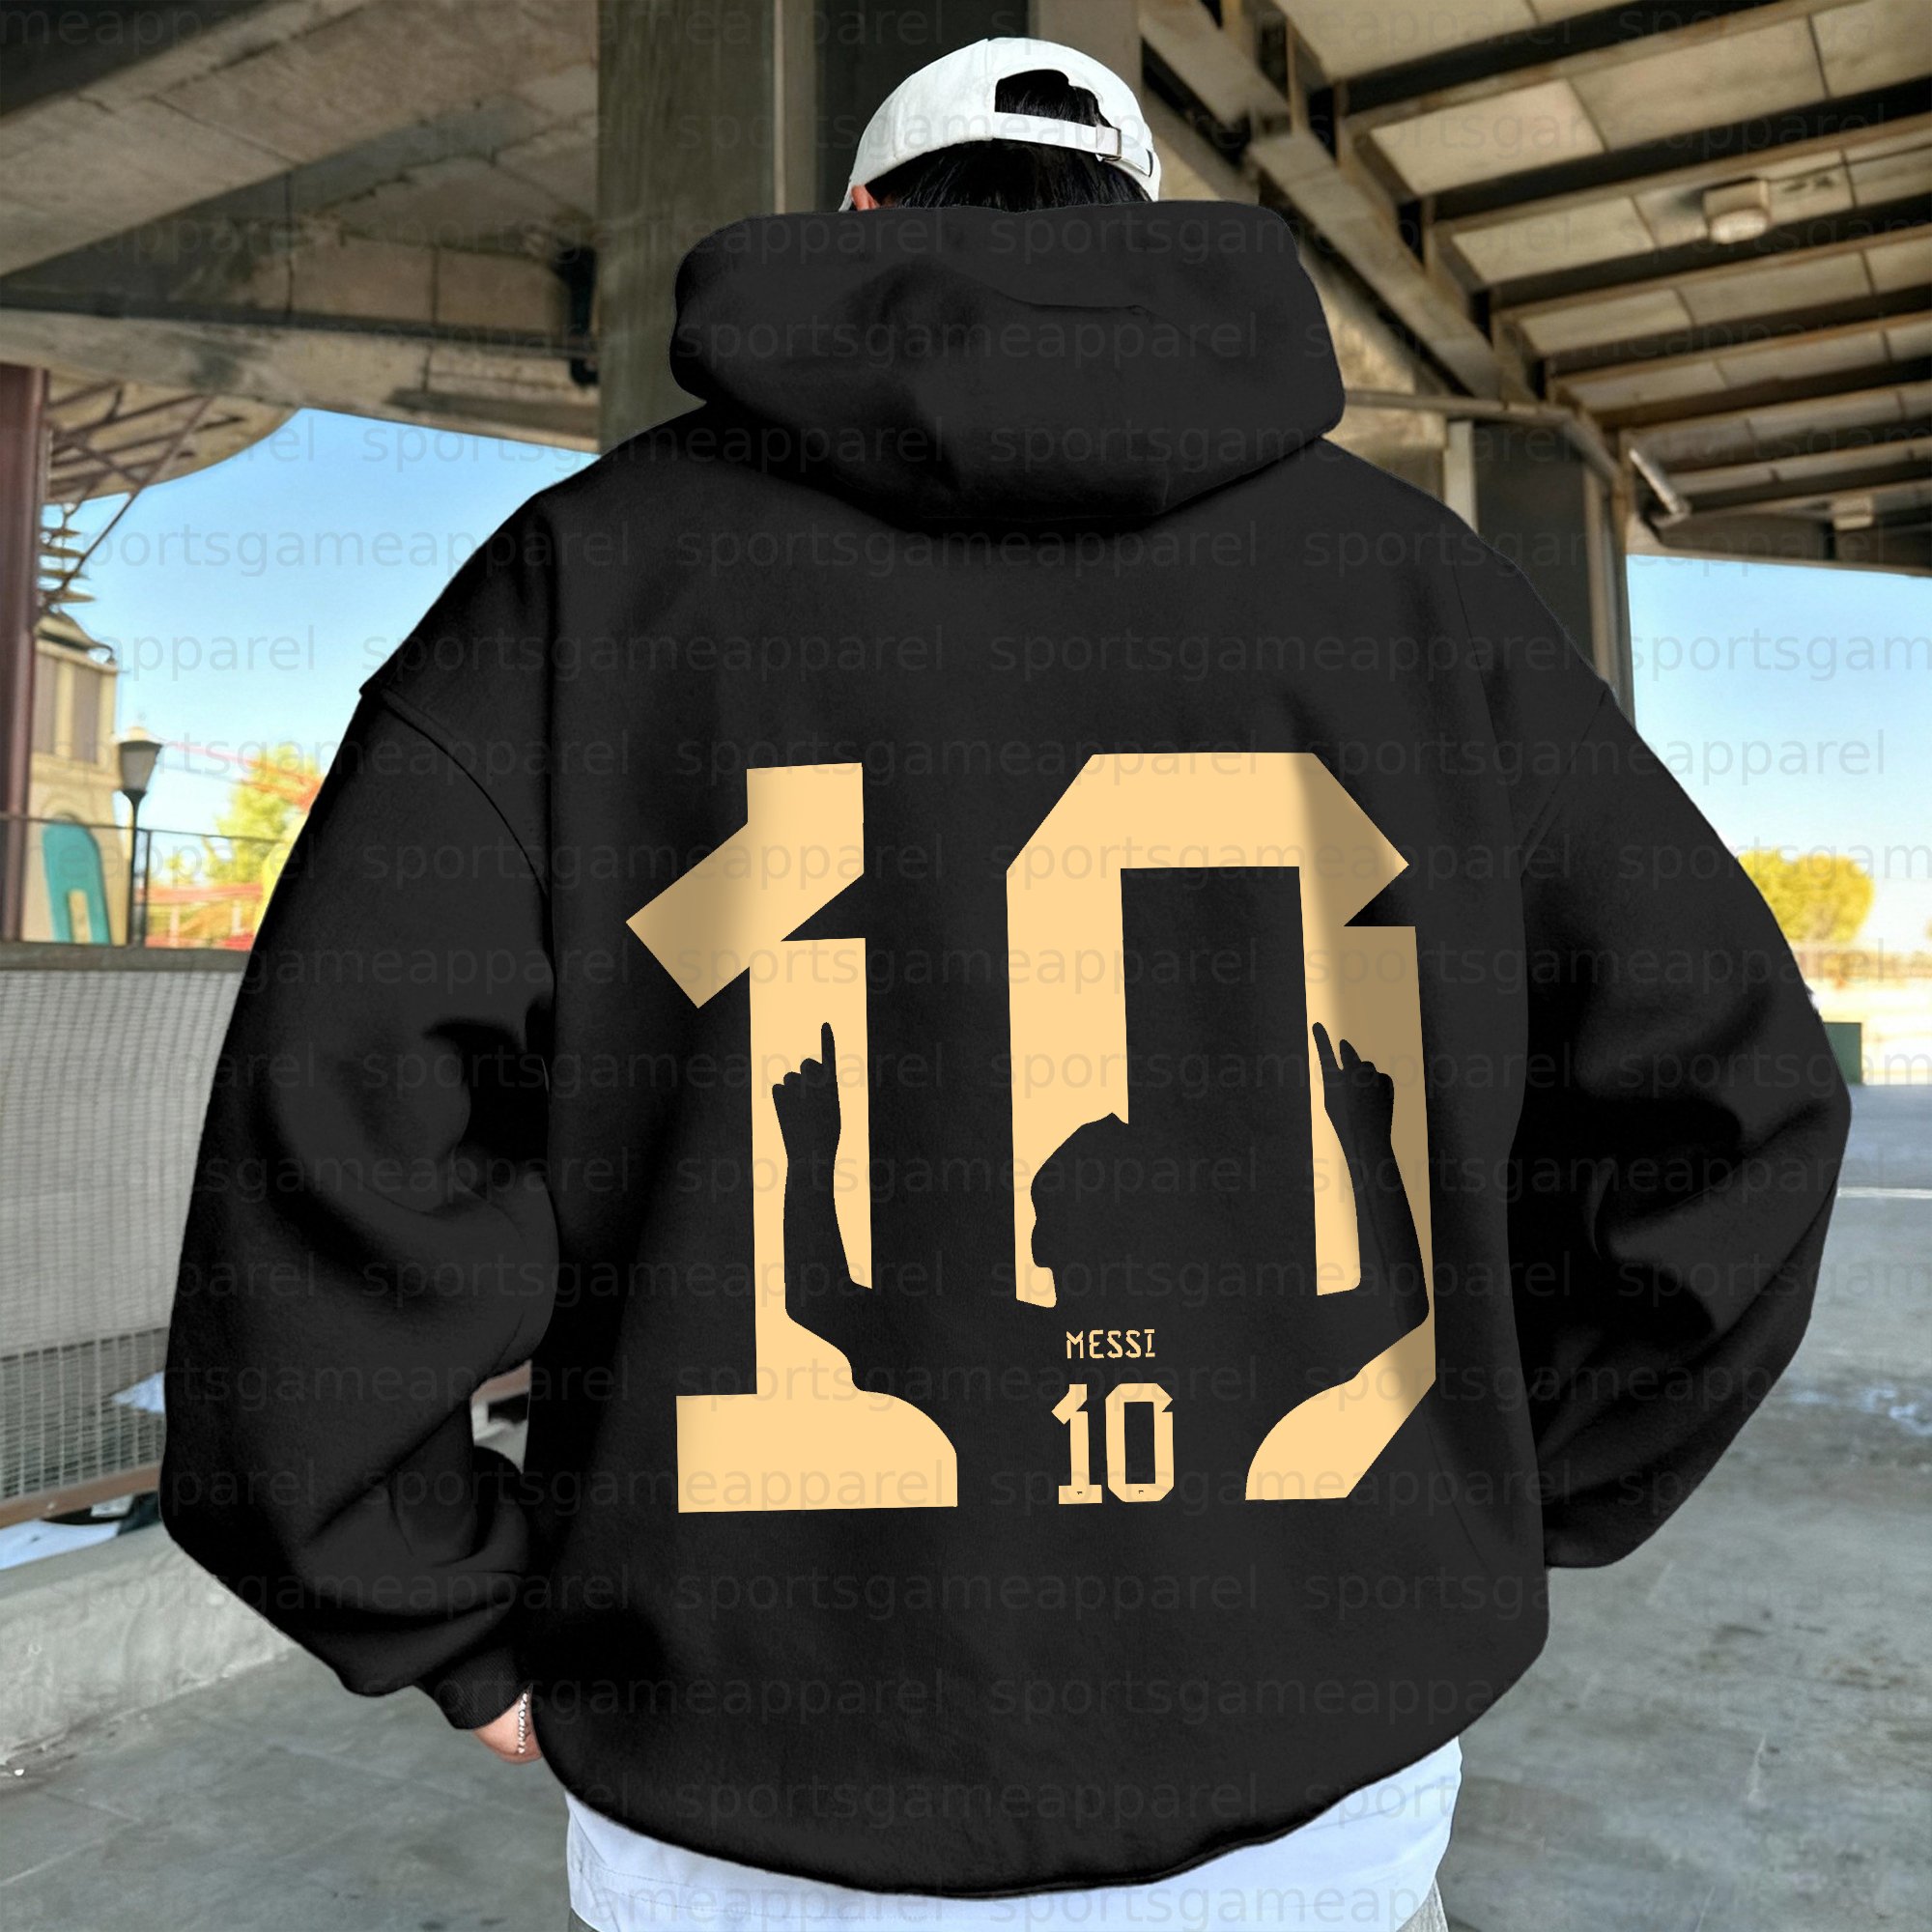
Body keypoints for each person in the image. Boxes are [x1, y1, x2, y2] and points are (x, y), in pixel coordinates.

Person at [160, 35, 1853, 1932]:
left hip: (755, 1797)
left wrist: (427, 1598)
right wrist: (1499, 1495)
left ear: (858, 216)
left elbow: (335, 1124)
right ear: (1143, 226)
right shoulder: (1416, 593)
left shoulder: (588, 581)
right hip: (1313, 1785)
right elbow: (1737, 1104)